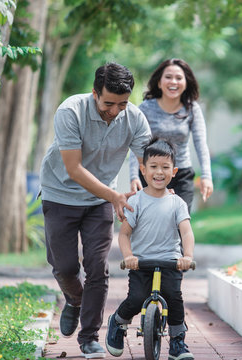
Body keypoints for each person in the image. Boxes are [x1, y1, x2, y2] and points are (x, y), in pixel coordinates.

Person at [39, 62, 151, 359]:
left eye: (122, 103)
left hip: (99, 202)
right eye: (108, 103)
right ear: (94, 93)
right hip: (60, 194)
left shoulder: (135, 118)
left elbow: (147, 162)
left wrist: (155, 188)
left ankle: (89, 337)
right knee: (63, 266)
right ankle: (75, 300)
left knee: (97, 267)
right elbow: (73, 169)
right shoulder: (70, 111)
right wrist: (114, 194)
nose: (115, 111)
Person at [106, 137, 195, 360]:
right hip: (141, 262)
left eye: (165, 167)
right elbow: (124, 234)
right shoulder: (136, 201)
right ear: (143, 170)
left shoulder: (177, 203)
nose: (159, 172)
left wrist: (188, 255)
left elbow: (186, 232)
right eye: (153, 167)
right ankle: (118, 322)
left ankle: (177, 342)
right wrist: (128, 256)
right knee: (136, 298)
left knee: (174, 298)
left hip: (170, 260)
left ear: (174, 171)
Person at [128, 58, 213, 212]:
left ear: (186, 83)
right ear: (159, 82)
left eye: (179, 78)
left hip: (181, 174)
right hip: (151, 173)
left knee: (180, 223)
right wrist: (134, 176)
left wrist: (206, 176)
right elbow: (137, 144)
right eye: (168, 77)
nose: (173, 81)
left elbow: (201, 144)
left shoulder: (192, 109)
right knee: (152, 223)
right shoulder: (146, 108)